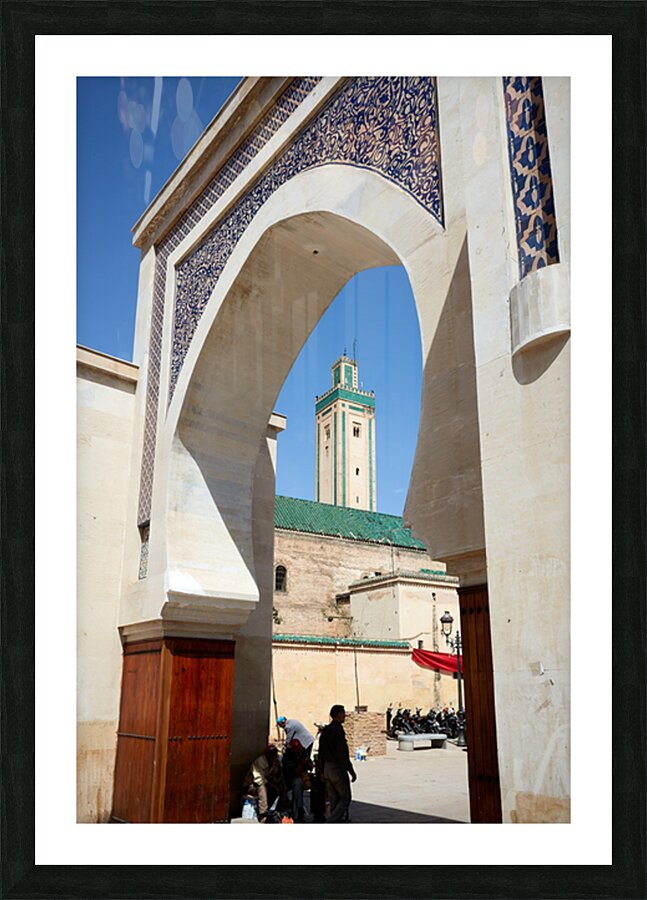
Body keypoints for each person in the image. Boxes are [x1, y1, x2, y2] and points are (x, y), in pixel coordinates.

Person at [317, 704, 357, 823]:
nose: (345, 716)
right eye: (343, 713)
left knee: (333, 797)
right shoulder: (338, 730)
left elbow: (321, 752)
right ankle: (332, 821)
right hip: (336, 767)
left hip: (327, 768)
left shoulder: (326, 730)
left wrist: (321, 769)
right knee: (345, 797)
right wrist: (351, 771)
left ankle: (336, 820)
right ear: (338, 715)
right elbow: (342, 754)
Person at [241, 744, 286, 822]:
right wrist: (271, 785)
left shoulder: (275, 762)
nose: (274, 756)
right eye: (272, 754)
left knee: (278, 788)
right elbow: (259, 780)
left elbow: (277, 778)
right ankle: (263, 814)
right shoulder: (259, 762)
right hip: (251, 786)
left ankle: (276, 810)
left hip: (267, 783)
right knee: (262, 788)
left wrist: (278, 769)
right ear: (267, 755)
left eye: (275, 754)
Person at [281, 738, 313, 822]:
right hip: (291, 779)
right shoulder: (288, 757)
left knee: (318, 782)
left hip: (304, 777)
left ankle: (318, 811)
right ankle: (299, 809)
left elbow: (311, 766)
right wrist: (301, 764)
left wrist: (308, 763)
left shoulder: (303, 752)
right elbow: (294, 772)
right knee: (298, 783)